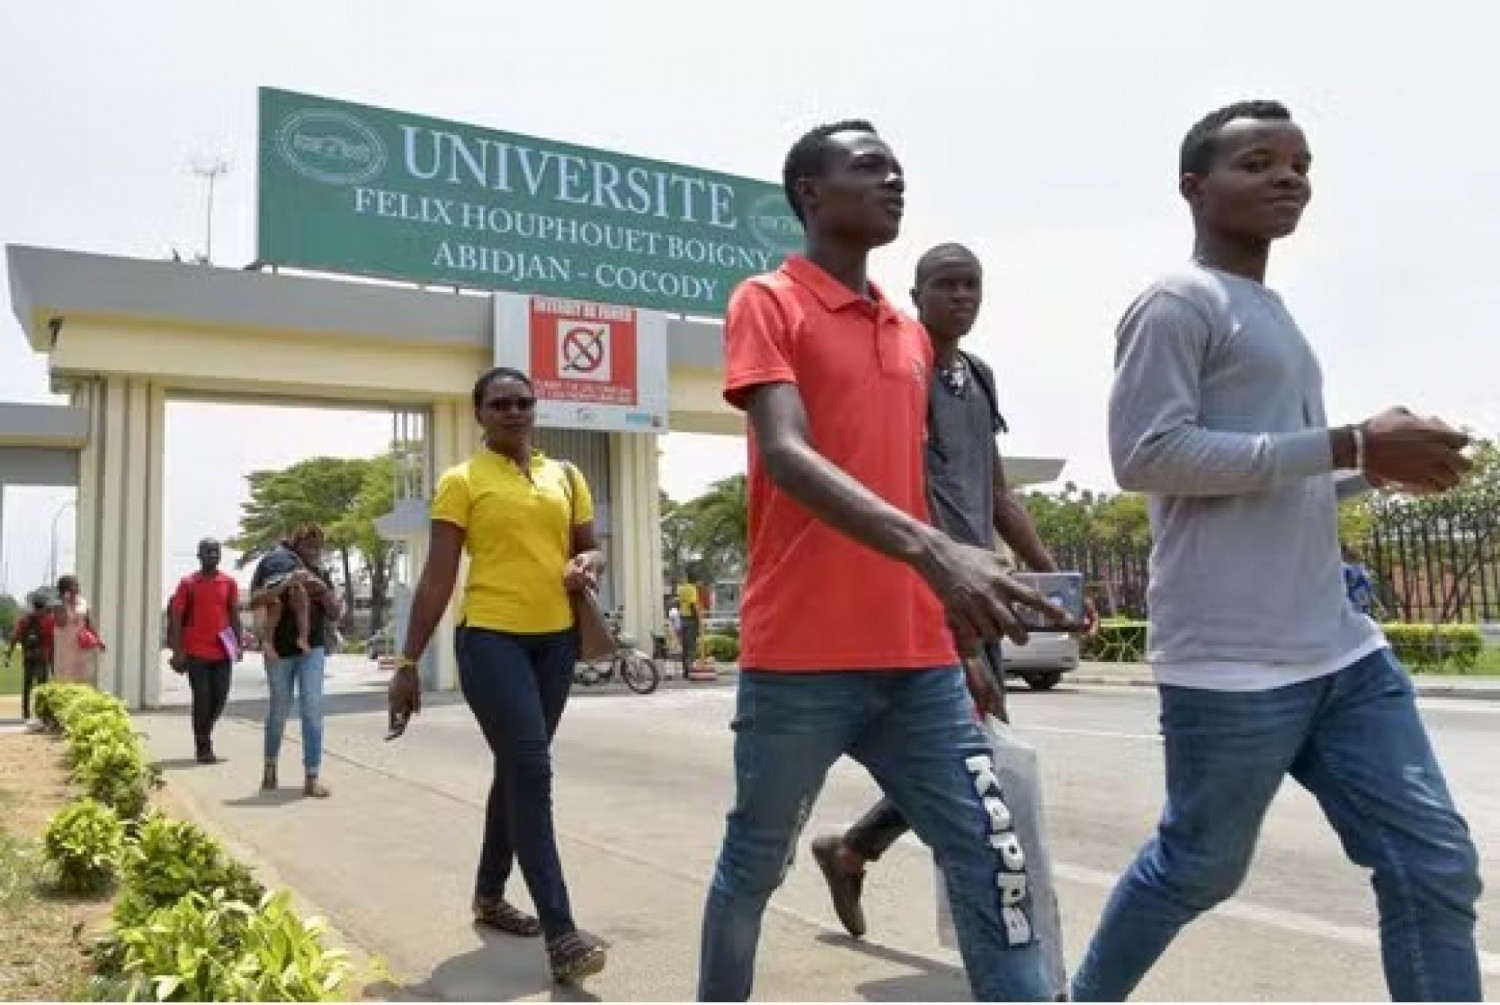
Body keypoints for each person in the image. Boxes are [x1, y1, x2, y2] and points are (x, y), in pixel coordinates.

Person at [1073, 100, 1481, 1003]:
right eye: (1258, 162)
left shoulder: (1274, 310)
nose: (1289, 177)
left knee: (1433, 863)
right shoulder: (1177, 303)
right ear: (1195, 186)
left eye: (1300, 164)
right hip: (1231, 662)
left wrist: (1377, 469)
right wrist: (1348, 443)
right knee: (1198, 869)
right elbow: (1147, 454)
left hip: (1340, 649)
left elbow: (1276, 474)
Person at [697, 120, 1072, 1003]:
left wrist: (959, 628)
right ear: (811, 195)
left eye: (899, 168)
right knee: (754, 865)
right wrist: (936, 550)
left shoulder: (909, 335)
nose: (894, 179)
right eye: (870, 168)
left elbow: (920, 489)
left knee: (992, 859)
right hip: (800, 660)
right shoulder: (769, 300)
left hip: (919, 662)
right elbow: (787, 454)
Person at [807, 242, 1093, 945]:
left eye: (973, 284)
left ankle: (852, 850)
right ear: (918, 292)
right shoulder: (902, 371)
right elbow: (896, 493)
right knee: (969, 762)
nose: (962, 295)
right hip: (927, 593)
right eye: (947, 284)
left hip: (982, 591)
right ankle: (1002, 943)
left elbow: (995, 493)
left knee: (971, 755)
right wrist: (941, 606)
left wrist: (1049, 576)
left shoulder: (977, 376)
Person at [389, 366, 609, 986]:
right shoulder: (461, 482)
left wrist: (585, 562)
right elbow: (437, 577)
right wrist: (408, 663)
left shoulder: (565, 475)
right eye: (501, 403)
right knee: (532, 769)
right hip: (490, 641)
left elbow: (590, 545)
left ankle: (489, 895)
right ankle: (562, 933)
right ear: (480, 414)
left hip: (556, 643)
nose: (515, 411)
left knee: (517, 767)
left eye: (524, 402)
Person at [252, 524, 341, 797]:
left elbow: (335, 613)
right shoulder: (274, 563)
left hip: (310, 649)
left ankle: (311, 777)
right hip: (278, 649)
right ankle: (270, 767)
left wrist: (322, 590)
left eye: (319, 547)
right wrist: (286, 584)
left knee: (312, 711)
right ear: (297, 543)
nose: (315, 551)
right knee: (279, 710)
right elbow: (256, 599)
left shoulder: (321, 572)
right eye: (310, 546)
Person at [168, 538, 243, 764]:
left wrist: (238, 644)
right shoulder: (188, 583)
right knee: (202, 698)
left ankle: (204, 731)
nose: (212, 555)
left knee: (220, 699)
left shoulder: (229, 583)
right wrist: (178, 649)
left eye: (216, 552)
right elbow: (177, 617)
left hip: (222, 650)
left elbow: (233, 615)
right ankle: (203, 746)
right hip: (196, 651)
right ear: (199, 555)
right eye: (207, 552)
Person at [8, 592, 55, 722]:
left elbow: (14, 637)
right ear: (44, 606)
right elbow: (51, 642)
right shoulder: (48, 621)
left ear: (34, 606)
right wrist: (52, 661)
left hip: (29, 656)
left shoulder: (24, 620)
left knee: (27, 685)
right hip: (42, 657)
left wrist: (9, 655)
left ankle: (26, 713)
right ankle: (41, 714)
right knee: (42, 686)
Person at [51, 575, 102, 686]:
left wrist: (98, 639)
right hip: (65, 646)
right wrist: (65, 603)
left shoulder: (83, 602)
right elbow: (61, 622)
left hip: (81, 645)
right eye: (75, 585)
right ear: (66, 588)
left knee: (83, 676)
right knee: (65, 676)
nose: (78, 587)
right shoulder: (58, 604)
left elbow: (88, 622)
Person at [1340, 543, 1381, 618]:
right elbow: (1367, 586)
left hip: (1356, 597)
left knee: (1361, 614)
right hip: (1356, 597)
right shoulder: (1355, 568)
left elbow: (1365, 586)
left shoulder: (1350, 568)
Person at [676, 576, 702, 677]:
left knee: (685, 648)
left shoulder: (682, 589)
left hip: (683, 619)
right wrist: (697, 620)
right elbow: (693, 605)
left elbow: (678, 603)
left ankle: (685, 671)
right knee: (692, 647)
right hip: (691, 620)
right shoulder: (692, 589)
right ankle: (690, 670)